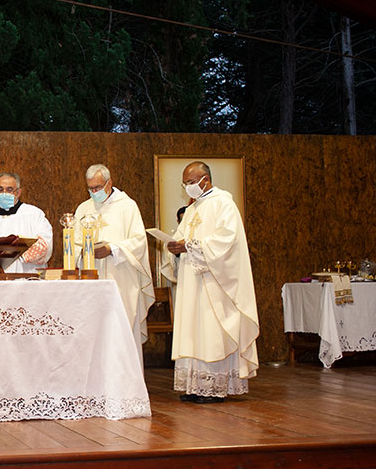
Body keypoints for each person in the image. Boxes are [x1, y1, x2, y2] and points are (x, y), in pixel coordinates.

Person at [166, 161, 259, 403]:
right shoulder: (194, 208)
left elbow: (226, 241)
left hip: (214, 283)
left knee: (211, 331)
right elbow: (181, 237)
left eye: (190, 182)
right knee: (194, 331)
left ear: (204, 180)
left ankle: (215, 387)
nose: (187, 187)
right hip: (192, 281)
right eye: (185, 183)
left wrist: (189, 246)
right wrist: (174, 246)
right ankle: (196, 386)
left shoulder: (223, 203)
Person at [74, 164, 154, 364]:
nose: (94, 192)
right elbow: (74, 244)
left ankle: (125, 387)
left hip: (121, 281)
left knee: (121, 329)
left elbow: (138, 242)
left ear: (109, 183)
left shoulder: (127, 206)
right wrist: (84, 251)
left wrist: (111, 249)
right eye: (90, 188)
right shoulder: (83, 209)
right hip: (91, 281)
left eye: (98, 187)